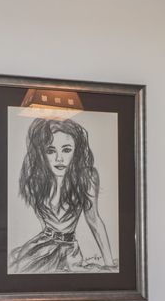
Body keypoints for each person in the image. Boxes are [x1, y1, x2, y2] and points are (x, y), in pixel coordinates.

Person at [9, 117, 117, 273]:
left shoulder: (87, 177)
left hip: (69, 250)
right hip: (40, 247)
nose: (59, 158)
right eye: (51, 151)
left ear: (76, 151)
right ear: (41, 154)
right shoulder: (36, 180)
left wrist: (109, 265)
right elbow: (43, 220)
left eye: (66, 150)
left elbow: (94, 220)